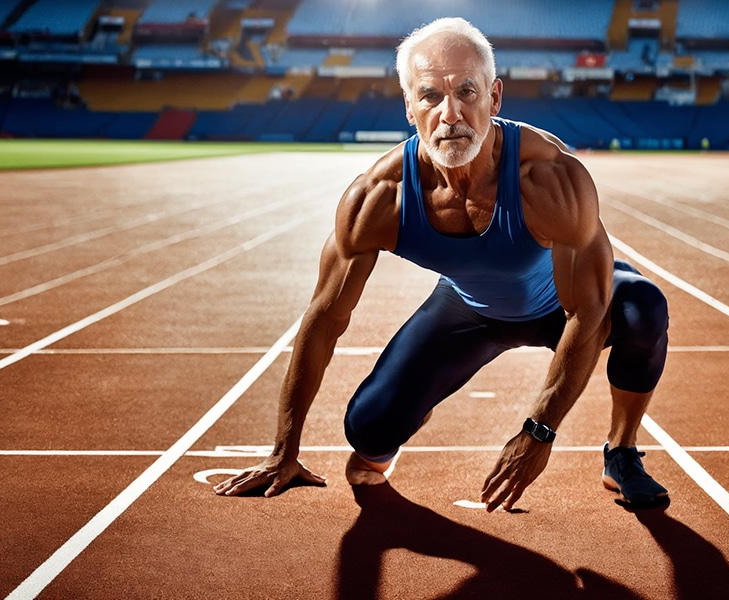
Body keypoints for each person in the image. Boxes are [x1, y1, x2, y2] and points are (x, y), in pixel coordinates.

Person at [214, 17, 670, 510]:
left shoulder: (549, 179)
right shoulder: (379, 198)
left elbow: (589, 309)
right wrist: (284, 450)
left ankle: (621, 453)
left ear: (494, 98)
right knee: (367, 429)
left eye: (466, 92)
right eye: (430, 96)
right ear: (410, 107)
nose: (450, 114)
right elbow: (325, 318)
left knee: (641, 309)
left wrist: (539, 431)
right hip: (468, 309)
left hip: (556, 304)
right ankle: (409, 408)